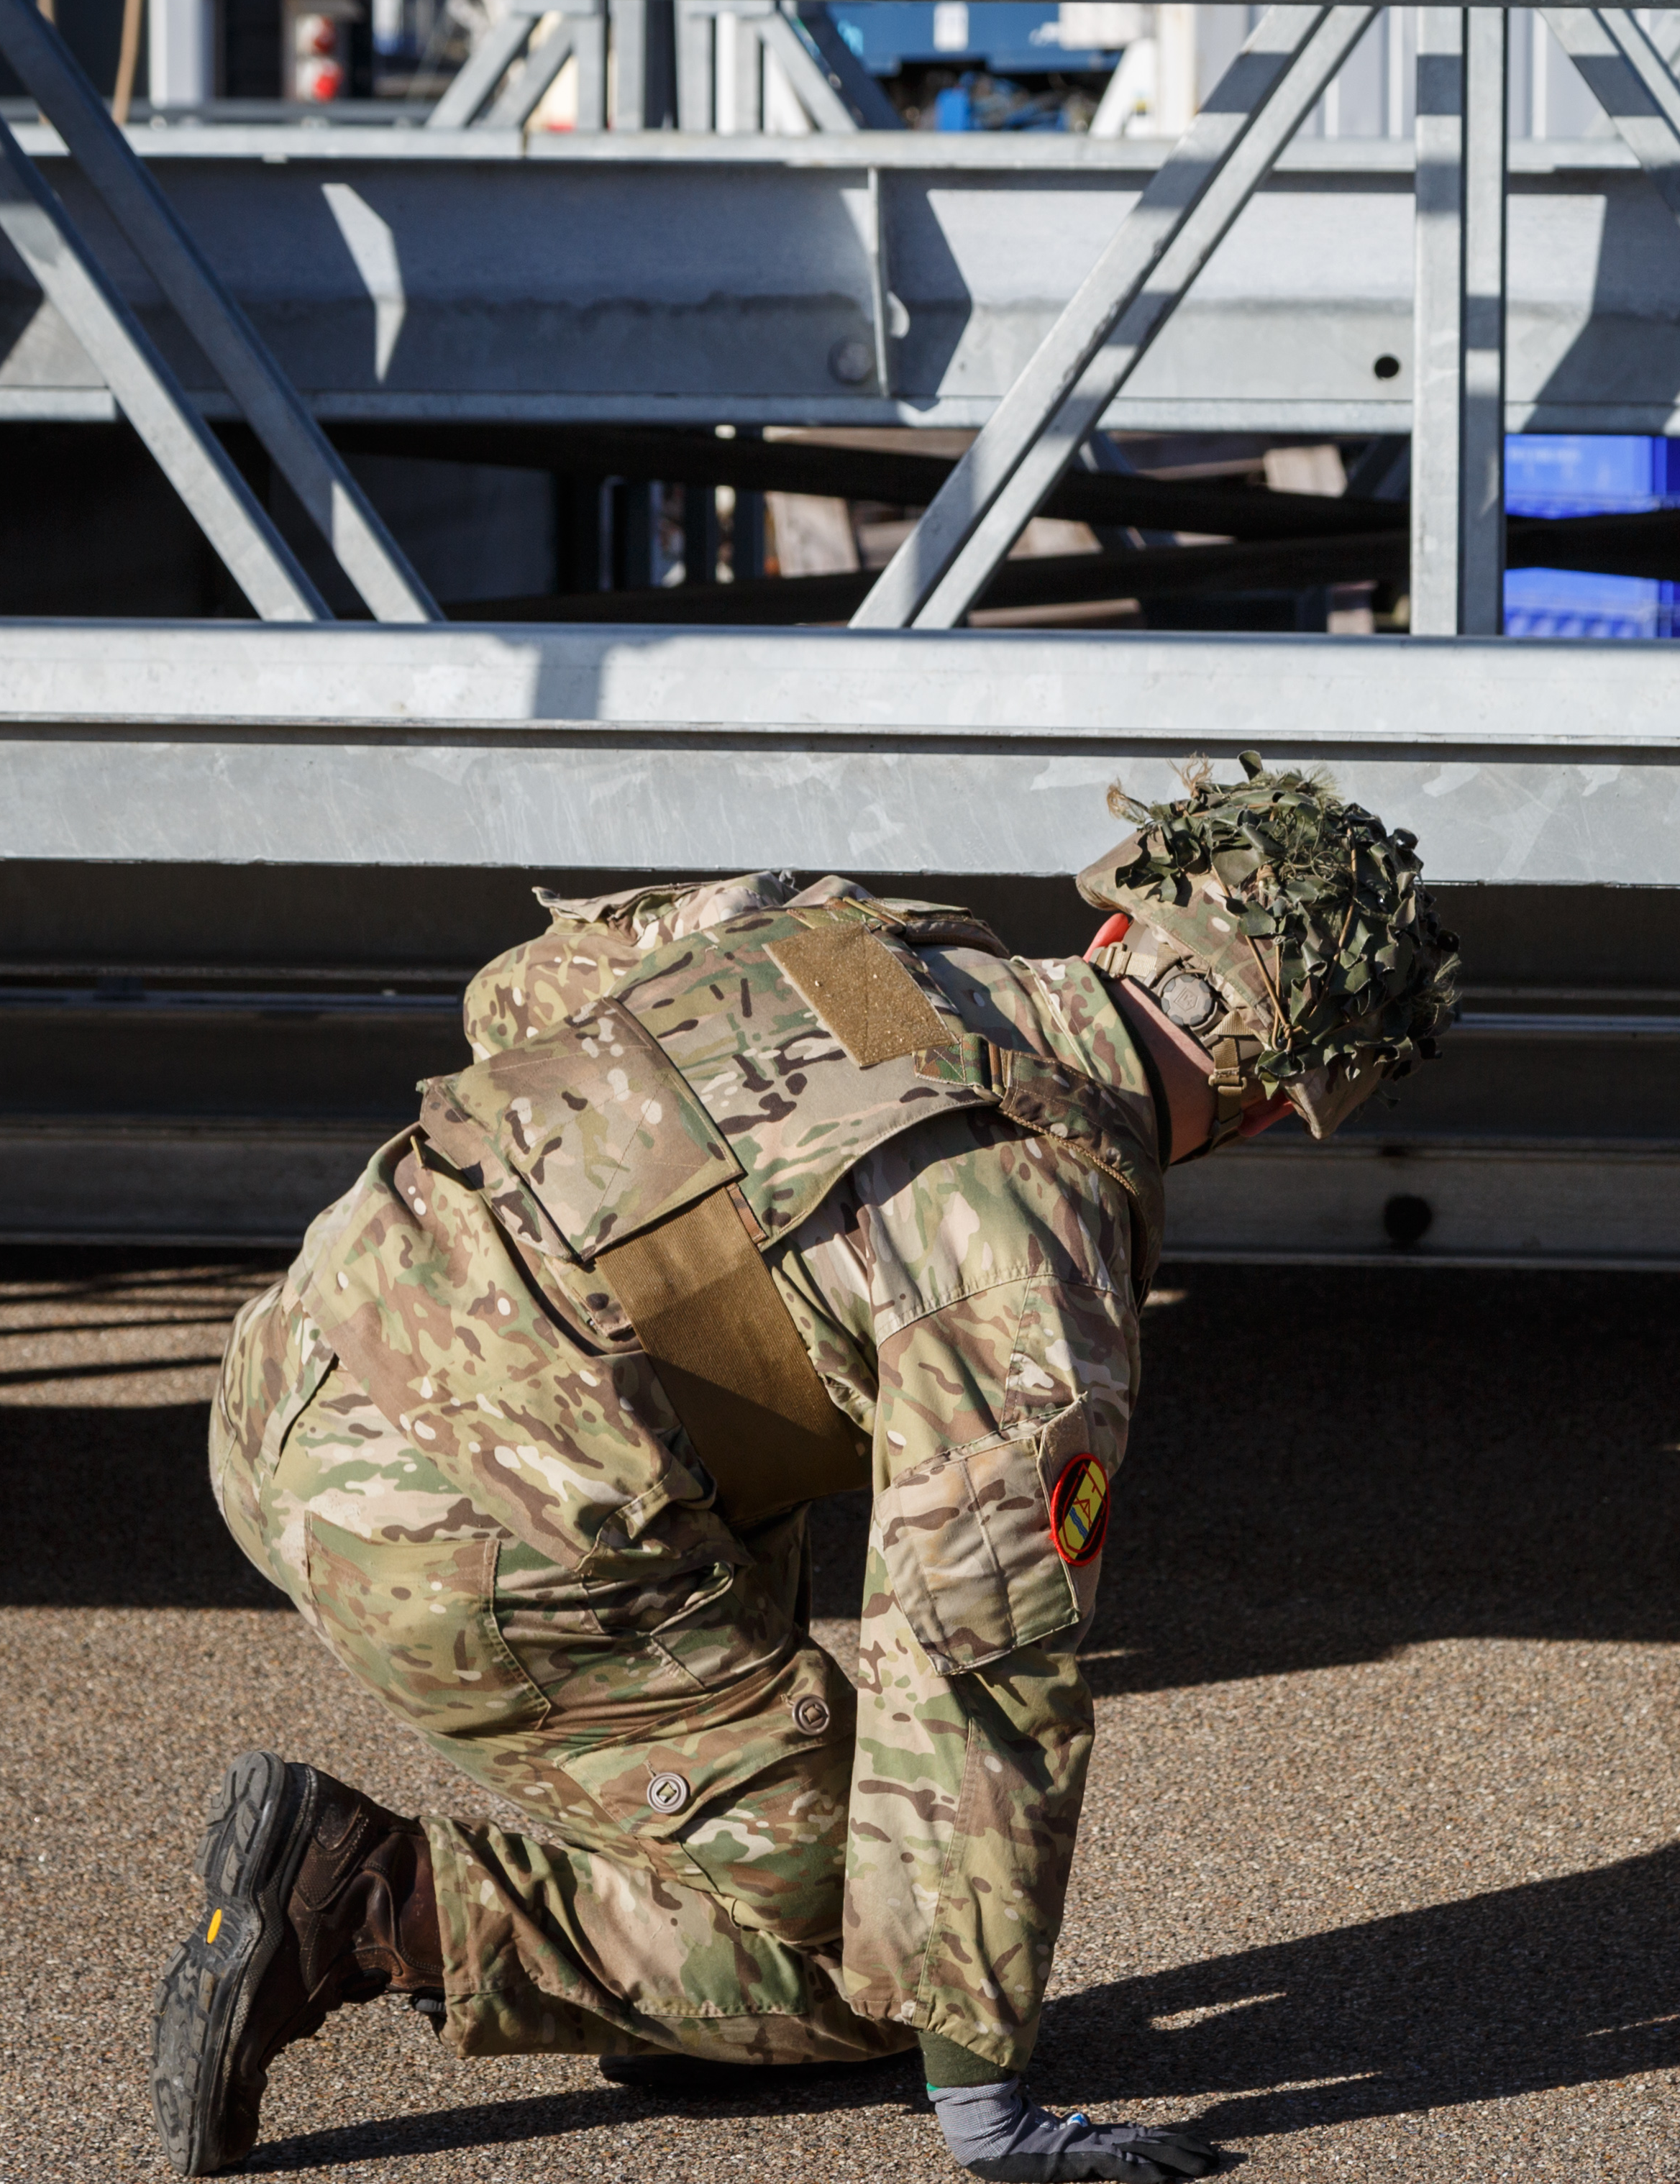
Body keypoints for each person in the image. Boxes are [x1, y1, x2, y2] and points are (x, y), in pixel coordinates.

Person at [152, 759, 1459, 2180]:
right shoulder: (1031, 1253)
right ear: (1273, 1107)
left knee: (745, 1379)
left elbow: (521, 993)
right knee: (872, 1969)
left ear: (1113, 929)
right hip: (460, 1541)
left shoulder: (851, 933)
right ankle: (364, 1901)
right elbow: (972, 1667)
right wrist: (986, 2102)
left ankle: (682, 1933)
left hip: (291, 1366)